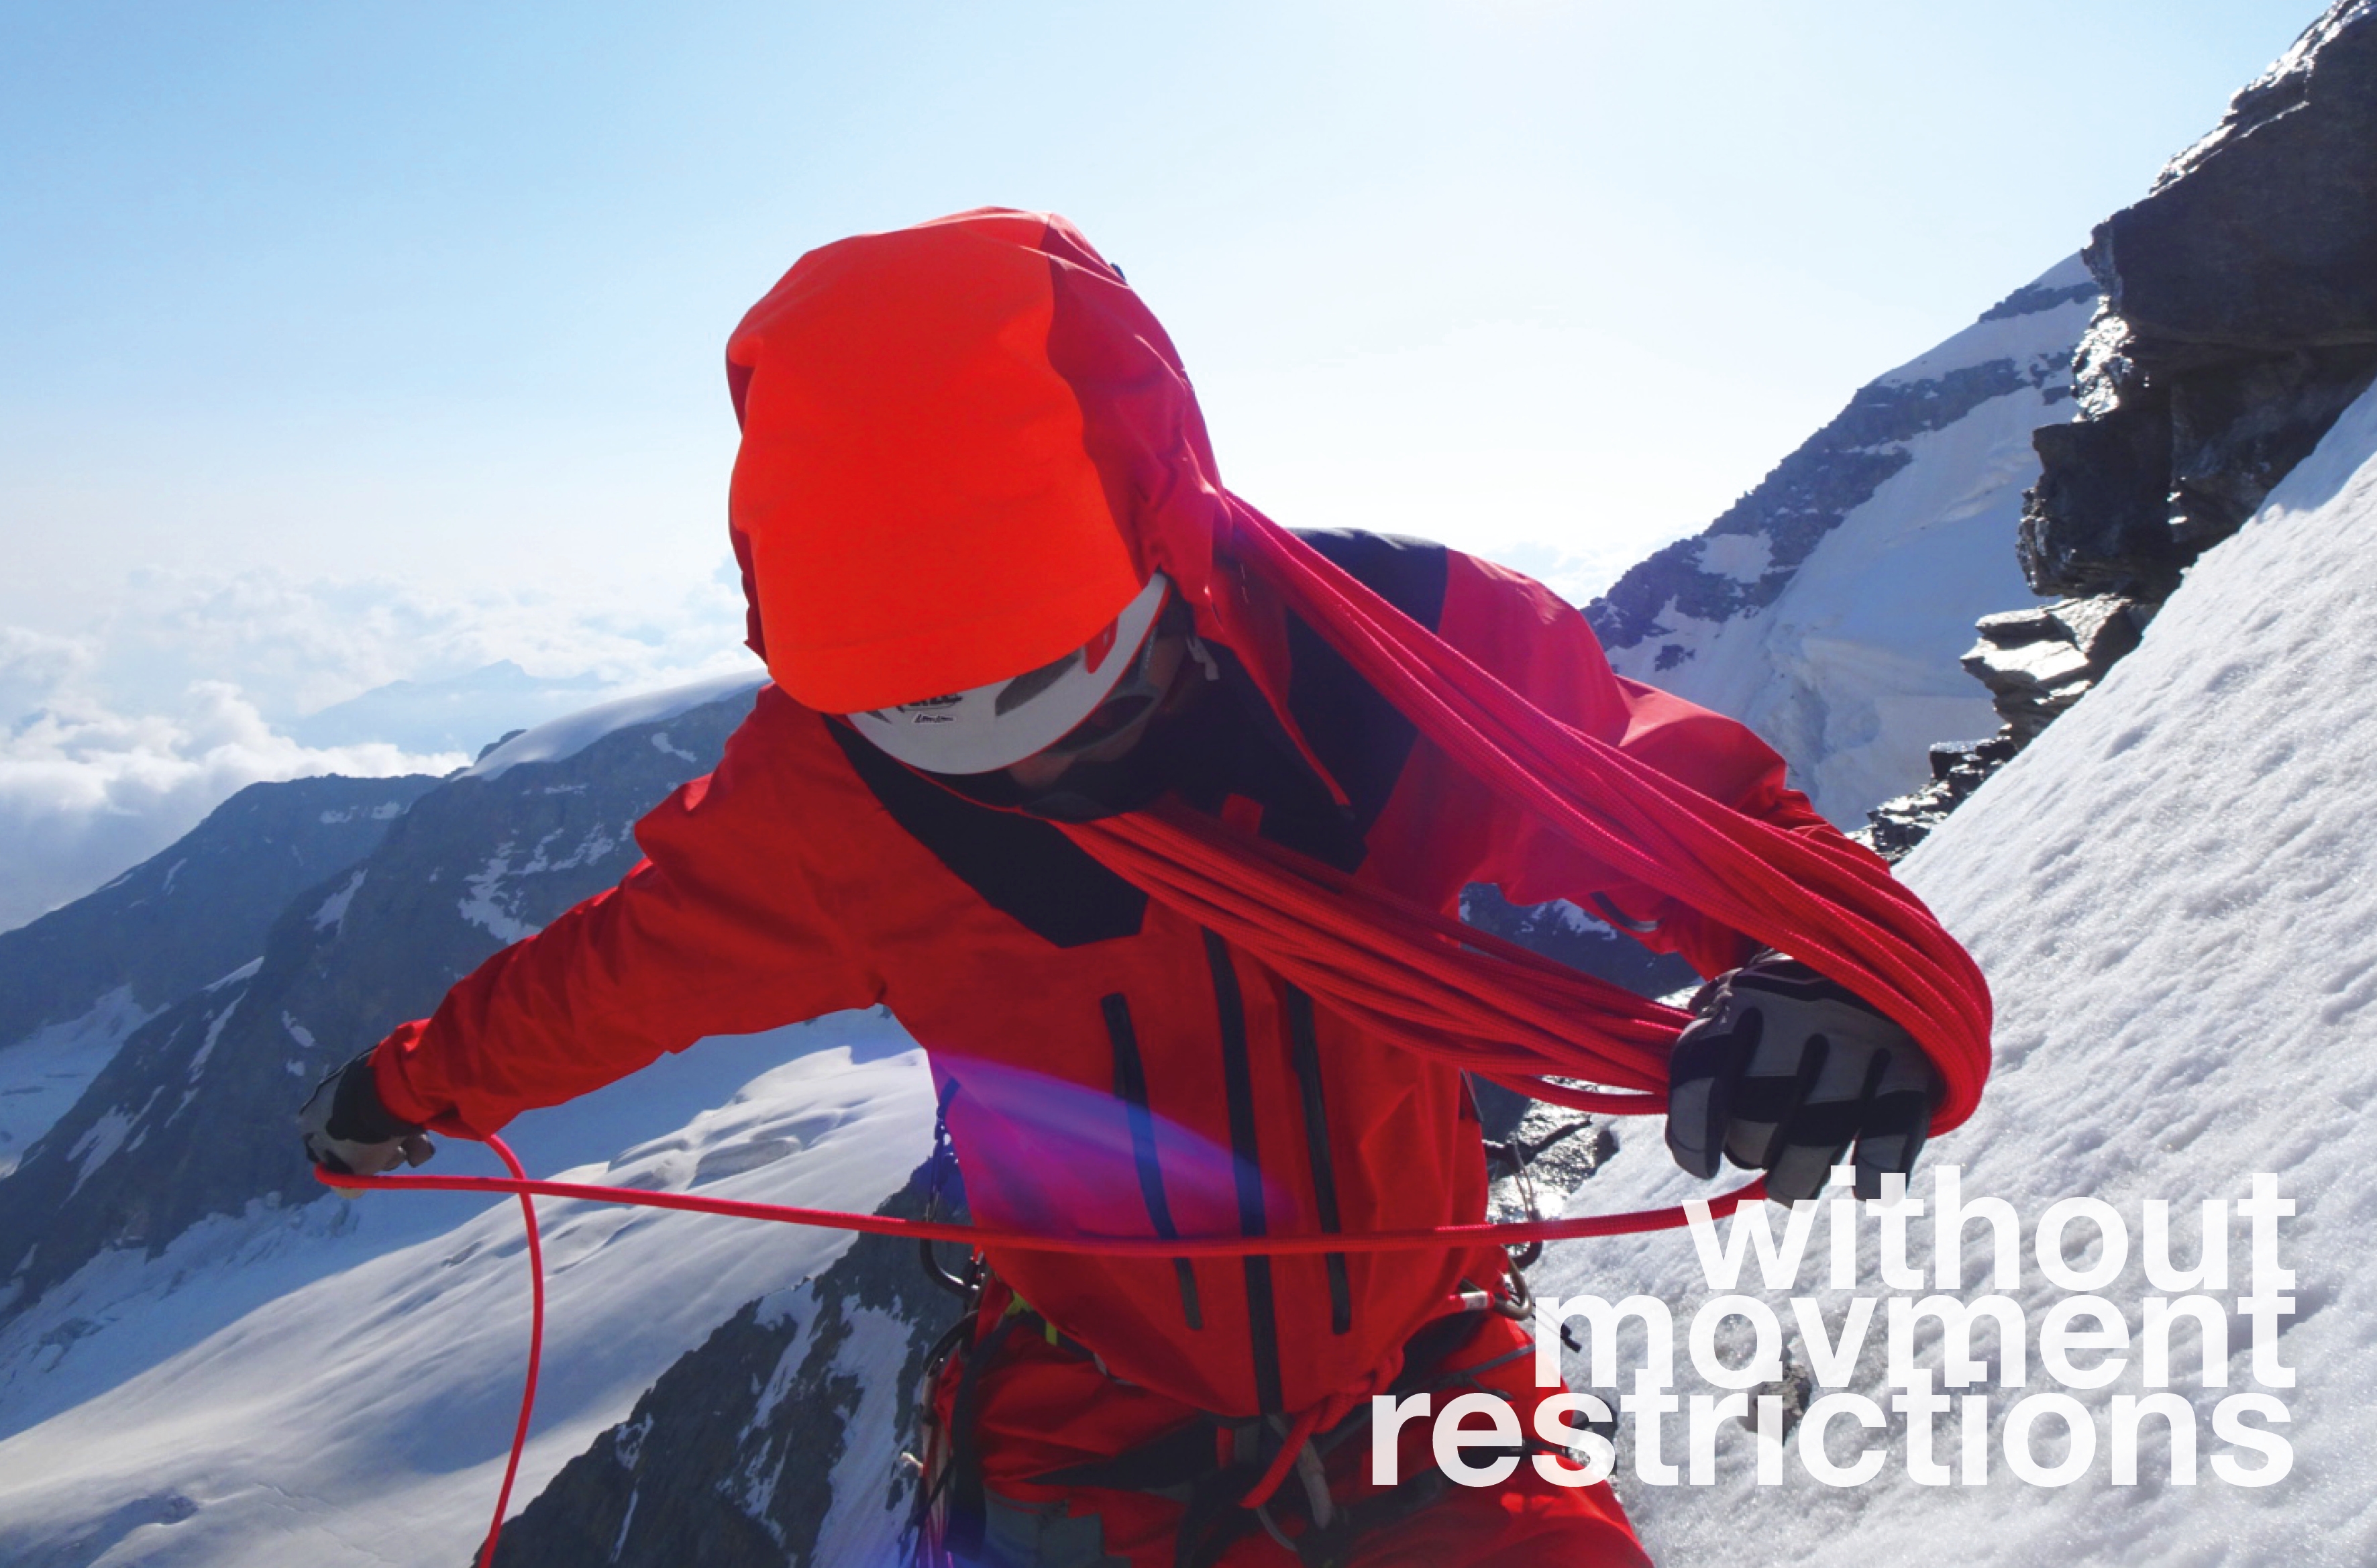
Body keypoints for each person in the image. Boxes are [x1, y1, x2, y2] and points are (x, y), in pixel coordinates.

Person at [299, 209, 1988, 1567]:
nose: (1028, 778)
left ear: (1166, 553)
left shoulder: (1400, 661)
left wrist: (1824, 969)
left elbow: (1672, 802)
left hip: (1412, 1391)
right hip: (1096, 1428)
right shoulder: (827, 796)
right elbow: (623, 970)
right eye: (939, 736)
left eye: (1078, 709)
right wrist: (414, 1084)